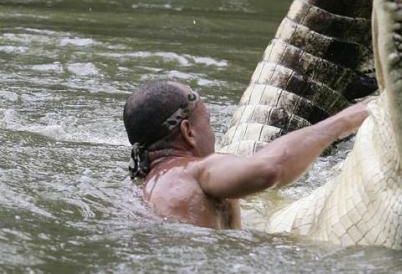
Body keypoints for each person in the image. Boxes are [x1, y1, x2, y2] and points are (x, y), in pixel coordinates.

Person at [123, 80, 369, 229]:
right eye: (207, 121)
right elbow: (270, 169)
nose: (212, 131)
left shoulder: (145, 187)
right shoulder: (197, 172)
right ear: (188, 131)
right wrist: (347, 120)